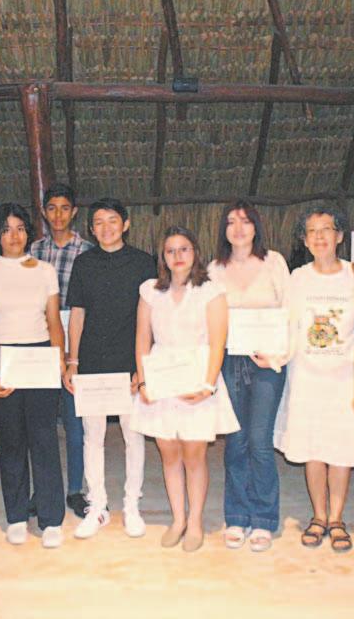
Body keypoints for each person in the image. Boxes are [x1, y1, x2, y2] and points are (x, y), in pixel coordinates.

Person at [133, 226, 239, 552]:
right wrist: (144, 380)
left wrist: (208, 385)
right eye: (170, 251)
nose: (177, 256)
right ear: (162, 257)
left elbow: (218, 341)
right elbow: (142, 338)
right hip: (161, 375)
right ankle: (178, 519)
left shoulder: (211, 291)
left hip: (197, 376)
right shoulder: (150, 290)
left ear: (195, 252)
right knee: (169, 454)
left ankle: (195, 522)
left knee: (194, 455)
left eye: (184, 249)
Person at [0, 203, 66, 548]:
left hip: (40, 354)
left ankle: (51, 518)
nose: (14, 236)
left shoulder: (45, 270)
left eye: (21, 228)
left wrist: (59, 359)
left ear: (29, 233)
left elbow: (54, 321)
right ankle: (15, 516)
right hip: (3, 356)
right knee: (12, 440)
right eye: (7, 229)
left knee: (44, 438)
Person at [63, 198, 155, 539]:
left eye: (113, 220)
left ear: (126, 224)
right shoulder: (83, 264)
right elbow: (77, 314)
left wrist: (143, 368)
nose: (106, 228)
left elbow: (151, 318)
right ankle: (97, 506)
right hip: (92, 364)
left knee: (134, 437)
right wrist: (73, 362)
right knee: (93, 437)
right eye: (99, 222)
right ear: (91, 229)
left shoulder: (143, 263)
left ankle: (131, 505)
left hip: (129, 364)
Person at [274, 206, 354, 552]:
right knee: (313, 449)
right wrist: (273, 356)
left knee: (340, 450)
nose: (319, 237)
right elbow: (287, 326)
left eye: (326, 229)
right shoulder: (297, 278)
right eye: (312, 231)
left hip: (344, 380)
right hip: (306, 378)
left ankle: (337, 519)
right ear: (304, 240)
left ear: (339, 236)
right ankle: (319, 516)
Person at [206, 201, 289, 552]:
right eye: (231, 222)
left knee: (259, 440)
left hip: (267, 361)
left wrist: (279, 357)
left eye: (245, 221)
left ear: (256, 226)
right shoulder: (214, 268)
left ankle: (265, 518)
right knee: (236, 441)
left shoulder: (274, 262)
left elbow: (290, 313)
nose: (238, 228)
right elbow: (208, 318)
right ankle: (237, 515)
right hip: (229, 361)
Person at [29, 184, 94, 518]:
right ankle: (42, 489)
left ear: (74, 212)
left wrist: (76, 353)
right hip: (39, 339)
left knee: (75, 424)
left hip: (76, 338)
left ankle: (75, 490)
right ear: (44, 211)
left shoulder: (88, 251)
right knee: (40, 422)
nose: (58, 214)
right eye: (51, 208)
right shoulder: (32, 251)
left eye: (64, 208)